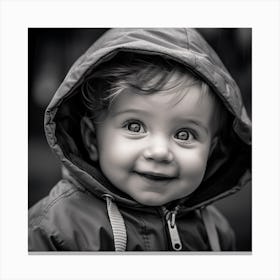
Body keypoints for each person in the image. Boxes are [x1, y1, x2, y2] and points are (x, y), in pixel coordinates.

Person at [28, 28, 251, 251]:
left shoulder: (215, 232)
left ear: (211, 150)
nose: (160, 151)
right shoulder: (56, 230)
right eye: (135, 127)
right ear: (92, 139)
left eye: (184, 134)